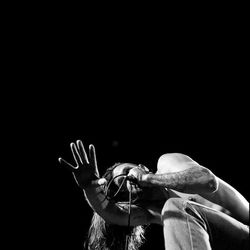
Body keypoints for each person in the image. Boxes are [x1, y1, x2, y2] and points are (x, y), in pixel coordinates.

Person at [58, 139, 249, 250]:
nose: (128, 182)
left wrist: (149, 179)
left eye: (127, 173)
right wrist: (90, 188)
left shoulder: (167, 163)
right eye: (122, 187)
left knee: (176, 207)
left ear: (141, 167)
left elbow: (207, 181)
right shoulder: (149, 211)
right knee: (172, 210)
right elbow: (110, 213)